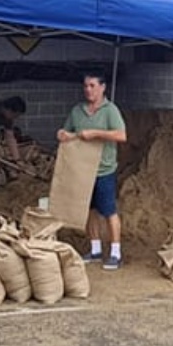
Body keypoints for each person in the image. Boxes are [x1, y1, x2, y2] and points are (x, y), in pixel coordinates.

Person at [58, 72, 128, 270]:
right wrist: (63, 134)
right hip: (82, 170)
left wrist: (96, 133)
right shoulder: (77, 111)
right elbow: (67, 132)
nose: (88, 90)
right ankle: (95, 249)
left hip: (104, 169)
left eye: (92, 86)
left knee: (109, 211)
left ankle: (115, 252)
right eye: (86, 86)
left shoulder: (110, 110)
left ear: (103, 87)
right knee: (89, 211)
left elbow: (121, 135)